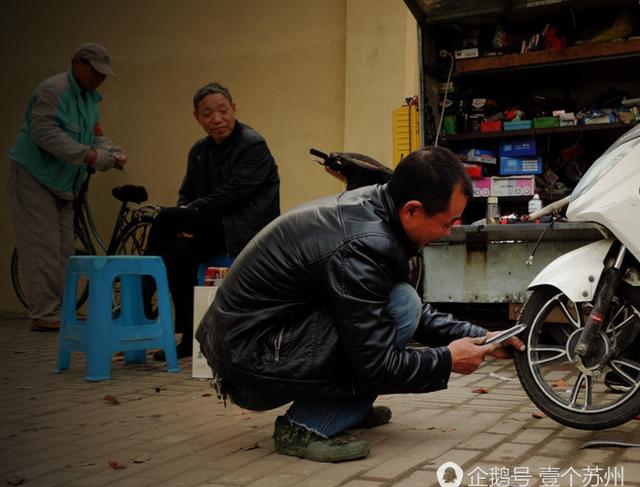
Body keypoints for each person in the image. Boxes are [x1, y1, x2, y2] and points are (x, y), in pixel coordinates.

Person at [196, 146, 525, 462]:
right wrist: (447, 359)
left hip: (253, 343)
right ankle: (307, 425)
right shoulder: (364, 244)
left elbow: (388, 312)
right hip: (249, 363)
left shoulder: (377, 210)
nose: (448, 232)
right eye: (445, 223)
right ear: (411, 209)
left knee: (400, 305)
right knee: (401, 307)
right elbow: (376, 365)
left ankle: (344, 405)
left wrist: (481, 335)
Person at [147, 82, 280, 361]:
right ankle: (188, 336)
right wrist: (188, 218)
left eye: (222, 110)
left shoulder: (252, 144)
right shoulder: (199, 150)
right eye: (207, 113)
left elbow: (234, 195)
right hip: (212, 225)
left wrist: (189, 215)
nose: (217, 119)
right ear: (197, 117)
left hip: (243, 229)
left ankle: (143, 297)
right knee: (179, 252)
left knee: (166, 218)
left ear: (233, 109)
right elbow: (187, 192)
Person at [8, 42, 126, 332]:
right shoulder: (53, 90)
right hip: (34, 176)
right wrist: (88, 156)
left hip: (64, 183)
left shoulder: (89, 100)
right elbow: (43, 132)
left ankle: (60, 312)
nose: (97, 78)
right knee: (42, 247)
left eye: (102, 74)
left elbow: (95, 137)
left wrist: (112, 153)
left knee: (64, 251)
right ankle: (44, 314)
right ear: (77, 63)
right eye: (94, 71)